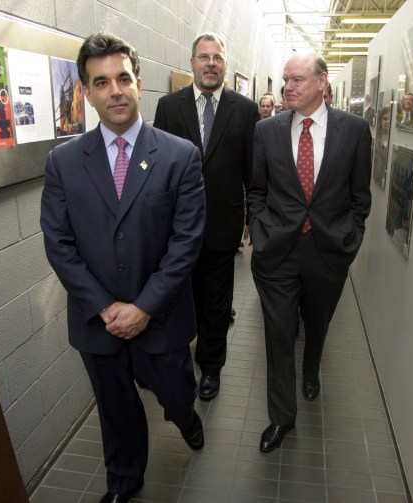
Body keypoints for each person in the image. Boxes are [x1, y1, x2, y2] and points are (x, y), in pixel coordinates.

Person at [40, 33, 206, 503]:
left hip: (162, 318)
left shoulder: (179, 156)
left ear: (138, 84)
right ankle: (124, 483)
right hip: (99, 324)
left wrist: (145, 308)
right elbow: (59, 243)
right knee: (116, 410)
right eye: (101, 82)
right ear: (87, 92)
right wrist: (105, 306)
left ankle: (186, 416)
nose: (115, 90)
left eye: (123, 78)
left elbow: (185, 243)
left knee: (174, 395)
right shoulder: (64, 163)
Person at [248, 51, 372, 452]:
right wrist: (261, 229)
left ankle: (312, 367)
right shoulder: (267, 130)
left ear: (321, 82)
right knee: (279, 333)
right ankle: (281, 418)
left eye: (297, 79)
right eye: (285, 80)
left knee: (316, 323)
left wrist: (350, 239)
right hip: (277, 252)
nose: (287, 87)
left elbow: (360, 197)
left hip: (328, 251)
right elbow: (257, 190)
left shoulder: (353, 130)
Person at [153, 32, 259, 401]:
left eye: (217, 57)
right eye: (203, 57)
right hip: (177, 228)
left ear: (225, 64)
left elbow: (253, 172)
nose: (210, 63)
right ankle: (180, 365)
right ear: (192, 62)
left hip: (223, 225)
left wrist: (252, 218)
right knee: (181, 299)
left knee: (216, 302)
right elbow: (157, 170)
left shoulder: (244, 110)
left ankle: (211, 368)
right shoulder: (169, 107)